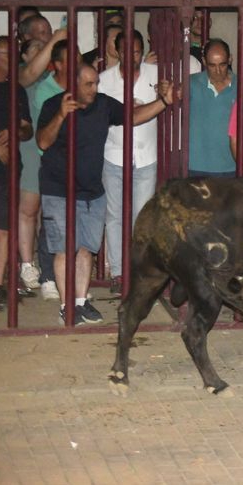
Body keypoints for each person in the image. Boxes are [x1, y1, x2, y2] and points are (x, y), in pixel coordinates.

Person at [36, 64, 173, 326]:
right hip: (59, 190)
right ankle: (67, 307)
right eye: (88, 84)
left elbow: (133, 116)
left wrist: (163, 102)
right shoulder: (54, 104)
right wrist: (62, 115)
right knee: (66, 249)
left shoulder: (102, 104)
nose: (94, 89)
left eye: (96, 83)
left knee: (86, 249)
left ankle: (80, 302)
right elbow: (43, 141)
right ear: (73, 84)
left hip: (92, 191)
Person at [98, 30, 160, 295]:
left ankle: (138, 271)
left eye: (136, 51)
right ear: (117, 50)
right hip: (113, 154)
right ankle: (118, 273)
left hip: (146, 156)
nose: (131, 56)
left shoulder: (155, 75)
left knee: (141, 218)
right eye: (126, 51)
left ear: (141, 50)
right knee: (114, 215)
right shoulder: (103, 80)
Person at [25, 39, 71, 300]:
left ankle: (66, 275)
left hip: (80, 162)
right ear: (58, 64)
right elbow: (48, 132)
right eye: (70, 58)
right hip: (53, 162)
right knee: (53, 221)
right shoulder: (46, 90)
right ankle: (48, 277)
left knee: (75, 220)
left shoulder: (82, 85)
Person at [0, 36, 34, 312]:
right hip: (1, 159)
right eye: (11, 55)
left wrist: (13, 129)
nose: (17, 61)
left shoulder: (16, 90)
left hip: (9, 166)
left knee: (3, 229)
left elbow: (27, 129)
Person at [189, 39, 238, 178]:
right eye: (212, 65)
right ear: (204, 61)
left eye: (222, 64)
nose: (218, 71)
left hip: (231, 166)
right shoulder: (190, 84)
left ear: (230, 59)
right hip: (196, 166)